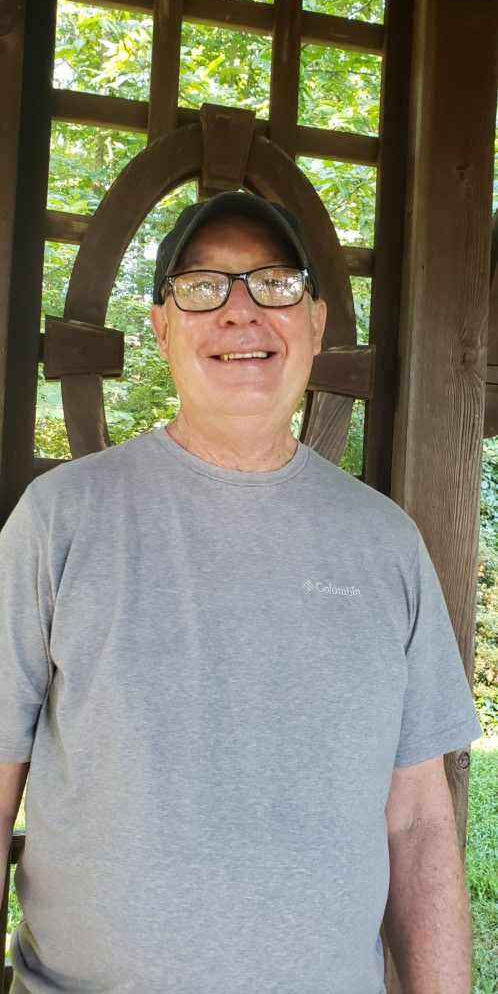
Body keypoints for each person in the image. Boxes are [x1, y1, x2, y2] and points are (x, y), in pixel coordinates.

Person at [0, 191, 481, 994]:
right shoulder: (59, 520)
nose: (240, 311)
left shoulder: (386, 543)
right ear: (161, 328)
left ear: (317, 324)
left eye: (275, 284)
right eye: (202, 286)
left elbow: (418, 825)